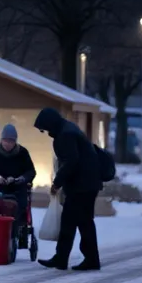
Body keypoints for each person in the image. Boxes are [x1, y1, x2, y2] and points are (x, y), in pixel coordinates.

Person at [34, 107, 102, 271]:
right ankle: (62, 257)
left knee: (82, 222)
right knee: (70, 221)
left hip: (82, 186)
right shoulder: (68, 129)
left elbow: (71, 161)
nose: (45, 132)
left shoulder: (66, 134)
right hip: (85, 183)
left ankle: (90, 259)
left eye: (45, 128)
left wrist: (57, 183)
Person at [0, 123, 38, 243]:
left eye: (11, 141)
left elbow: (31, 171)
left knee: (18, 208)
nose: (8, 144)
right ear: (1, 140)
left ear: (15, 141)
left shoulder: (23, 153)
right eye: (5, 140)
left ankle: (14, 233)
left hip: (17, 190)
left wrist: (21, 179)